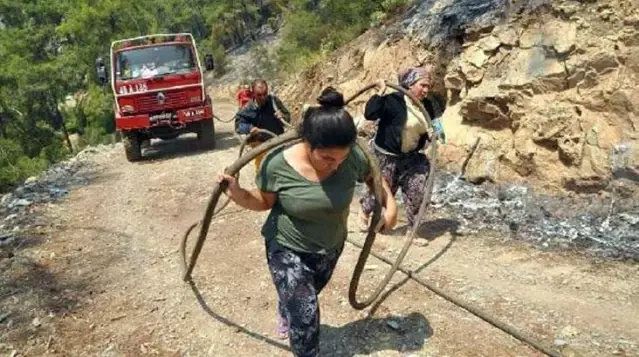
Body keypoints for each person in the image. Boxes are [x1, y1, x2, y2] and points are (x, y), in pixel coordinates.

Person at [217, 88, 397, 357]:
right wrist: (237, 194)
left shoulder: (351, 158)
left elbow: (372, 176)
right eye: (327, 158)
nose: (336, 165)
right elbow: (264, 202)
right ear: (307, 144)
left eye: (342, 158)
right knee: (305, 313)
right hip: (286, 247)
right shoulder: (277, 164)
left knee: (307, 296)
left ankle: (285, 306)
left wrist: (390, 206)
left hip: (330, 246)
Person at [358, 66, 446, 232]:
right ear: (410, 84)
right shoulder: (393, 100)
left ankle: (413, 230)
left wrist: (436, 134)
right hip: (386, 155)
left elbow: (437, 130)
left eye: (428, 86)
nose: (426, 90)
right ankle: (364, 213)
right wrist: (380, 92)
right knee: (380, 192)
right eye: (422, 85)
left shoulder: (427, 106)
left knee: (418, 192)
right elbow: (370, 113)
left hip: (412, 158)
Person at [234, 79, 292, 171]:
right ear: (253, 93)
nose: (263, 97)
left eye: (265, 94)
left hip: (278, 142)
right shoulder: (247, 109)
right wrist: (250, 128)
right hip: (260, 147)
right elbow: (238, 126)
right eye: (259, 95)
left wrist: (282, 116)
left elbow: (287, 117)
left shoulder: (274, 102)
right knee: (263, 172)